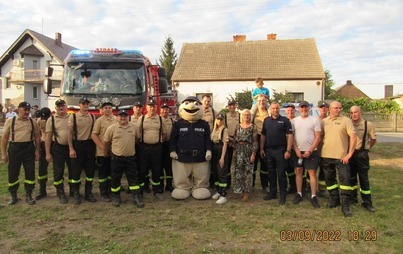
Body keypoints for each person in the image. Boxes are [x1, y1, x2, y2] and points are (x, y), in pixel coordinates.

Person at [321, 101, 356, 217]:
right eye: (336, 108)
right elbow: (320, 137)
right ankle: (334, 200)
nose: (338, 110)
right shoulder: (324, 122)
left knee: (345, 180)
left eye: (340, 108)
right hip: (326, 155)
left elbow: (353, 137)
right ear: (330, 109)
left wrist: (349, 154)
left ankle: (345, 205)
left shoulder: (346, 121)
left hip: (342, 157)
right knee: (329, 179)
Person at [1, 101, 41, 205]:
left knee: (30, 172)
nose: (27, 112)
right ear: (19, 110)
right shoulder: (11, 121)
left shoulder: (33, 122)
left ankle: (29, 194)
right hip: (15, 148)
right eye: (25, 110)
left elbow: (37, 137)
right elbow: (5, 138)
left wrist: (37, 151)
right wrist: (4, 153)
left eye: (28, 110)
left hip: (28, 148)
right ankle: (13, 195)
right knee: (13, 172)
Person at [104, 110, 144, 208]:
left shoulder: (134, 127)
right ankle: (117, 197)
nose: (123, 118)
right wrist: (106, 152)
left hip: (130, 158)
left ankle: (136, 197)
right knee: (115, 178)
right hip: (116, 158)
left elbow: (137, 139)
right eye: (121, 116)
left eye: (125, 116)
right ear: (117, 117)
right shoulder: (111, 128)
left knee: (133, 178)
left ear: (128, 117)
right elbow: (107, 142)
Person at [261, 101, 293, 205]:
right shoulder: (266, 120)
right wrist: (261, 148)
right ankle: (273, 193)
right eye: (273, 108)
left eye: (277, 108)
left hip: (281, 151)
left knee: (281, 174)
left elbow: (290, 136)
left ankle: (282, 195)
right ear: (270, 109)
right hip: (269, 151)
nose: (275, 110)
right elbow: (263, 135)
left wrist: (288, 150)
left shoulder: (285, 120)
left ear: (279, 109)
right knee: (271, 173)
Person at [291, 101, 321, 208]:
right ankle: (299, 193)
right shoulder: (294, 121)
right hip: (298, 152)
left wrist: (310, 151)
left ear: (309, 108)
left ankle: (313, 196)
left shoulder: (315, 120)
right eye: (302, 108)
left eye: (306, 107)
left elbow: (318, 137)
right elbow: (292, 137)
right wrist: (296, 150)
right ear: (299, 109)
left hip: (311, 151)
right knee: (298, 171)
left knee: (312, 173)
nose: (304, 109)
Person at [68, 97, 97, 205]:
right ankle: (76, 193)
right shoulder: (73, 117)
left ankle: (88, 193)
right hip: (77, 144)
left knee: (90, 171)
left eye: (87, 104)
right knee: (76, 171)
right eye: (83, 104)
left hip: (89, 145)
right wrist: (71, 148)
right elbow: (70, 133)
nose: (85, 105)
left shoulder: (92, 117)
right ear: (79, 105)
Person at [137, 99, 166, 201]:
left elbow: (164, 134)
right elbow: (137, 133)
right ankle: (140, 191)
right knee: (142, 170)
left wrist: (158, 143)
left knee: (156, 170)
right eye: (150, 106)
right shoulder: (142, 118)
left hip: (156, 148)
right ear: (146, 108)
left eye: (153, 106)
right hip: (144, 148)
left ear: (156, 108)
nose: (152, 108)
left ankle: (156, 190)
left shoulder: (160, 119)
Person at [349, 106, 377, 212]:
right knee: (351, 177)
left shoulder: (367, 124)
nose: (354, 114)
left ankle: (367, 202)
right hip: (350, 154)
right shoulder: (348, 123)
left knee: (363, 179)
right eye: (351, 113)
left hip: (362, 155)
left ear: (360, 112)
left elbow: (373, 140)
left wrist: (366, 148)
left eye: (355, 112)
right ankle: (353, 198)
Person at [45, 99, 71, 204]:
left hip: (71, 148)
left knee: (73, 170)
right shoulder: (51, 120)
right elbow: (48, 137)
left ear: (66, 107)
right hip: (58, 148)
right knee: (58, 172)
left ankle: (73, 190)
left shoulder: (72, 117)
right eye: (59, 106)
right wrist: (48, 153)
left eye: (63, 106)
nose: (61, 108)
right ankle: (60, 192)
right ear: (56, 108)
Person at [91, 102, 117, 202]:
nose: (108, 109)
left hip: (114, 151)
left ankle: (111, 190)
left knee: (112, 172)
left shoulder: (116, 119)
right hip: (102, 152)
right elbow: (93, 135)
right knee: (103, 173)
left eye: (109, 108)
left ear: (112, 109)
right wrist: (102, 147)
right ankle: (103, 192)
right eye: (105, 108)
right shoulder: (99, 121)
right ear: (102, 109)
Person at [231, 109, 258, 202]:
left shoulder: (253, 127)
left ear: (250, 116)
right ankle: (241, 190)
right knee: (239, 172)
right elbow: (235, 139)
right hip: (238, 150)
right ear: (242, 116)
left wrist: (253, 153)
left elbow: (255, 141)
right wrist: (230, 141)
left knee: (248, 172)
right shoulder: (237, 126)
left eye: (248, 115)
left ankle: (247, 192)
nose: (246, 117)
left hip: (248, 150)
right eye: (244, 115)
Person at [252, 94, 270, 193]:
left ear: (266, 101)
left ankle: (265, 185)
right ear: (257, 102)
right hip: (255, 138)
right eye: (259, 101)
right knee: (253, 163)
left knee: (264, 164)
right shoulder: (253, 113)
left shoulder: (269, 112)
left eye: (263, 100)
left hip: (266, 138)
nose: (261, 102)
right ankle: (251, 184)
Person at [210, 114, 229, 204]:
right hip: (214, 151)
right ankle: (218, 191)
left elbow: (225, 144)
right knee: (215, 173)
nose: (219, 121)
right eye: (218, 119)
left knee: (222, 173)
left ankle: (223, 195)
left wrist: (222, 158)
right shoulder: (214, 130)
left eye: (221, 119)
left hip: (221, 150)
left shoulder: (224, 129)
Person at [35, 107, 52, 200]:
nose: (44, 120)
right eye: (43, 118)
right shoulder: (38, 121)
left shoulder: (52, 120)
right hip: (43, 144)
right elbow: (38, 134)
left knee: (58, 168)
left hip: (53, 144)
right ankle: (42, 190)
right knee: (42, 168)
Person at [224, 100, 240, 189]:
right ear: (228, 107)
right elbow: (225, 129)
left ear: (236, 106)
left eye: (233, 105)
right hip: (229, 141)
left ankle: (238, 183)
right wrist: (229, 141)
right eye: (230, 105)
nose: (232, 107)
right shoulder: (225, 116)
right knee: (228, 163)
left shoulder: (240, 115)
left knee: (238, 164)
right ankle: (228, 183)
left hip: (238, 141)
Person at [160, 103, 174, 192]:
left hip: (168, 145)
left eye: (167, 109)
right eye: (163, 109)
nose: (165, 111)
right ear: (160, 110)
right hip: (159, 145)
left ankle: (169, 185)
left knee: (169, 166)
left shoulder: (172, 120)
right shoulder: (157, 119)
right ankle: (160, 185)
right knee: (159, 166)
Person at [284, 103, 297, 194]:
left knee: (299, 168)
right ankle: (292, 186)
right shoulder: (284, 121)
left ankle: (301, 187)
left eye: (292, 110)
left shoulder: (297, 121)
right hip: (287, 147)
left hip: (297, 148)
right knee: (289, 169)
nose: (290, 112)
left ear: (295, 111)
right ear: (285, 112)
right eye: (288, 110)